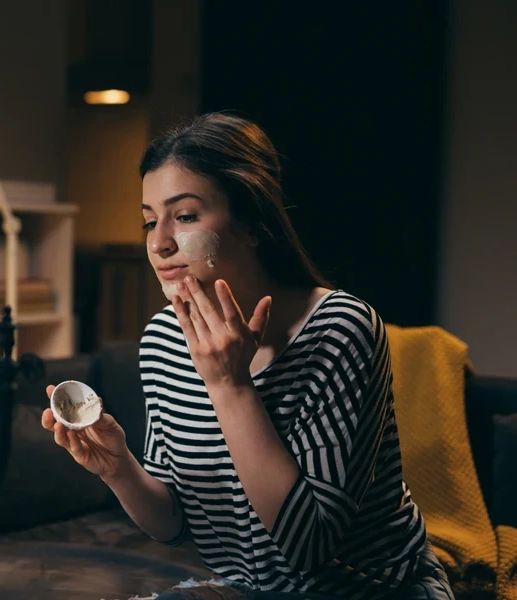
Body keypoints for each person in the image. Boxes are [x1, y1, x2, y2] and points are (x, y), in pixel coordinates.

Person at [40, 113, 454, 600]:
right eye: (150, 220)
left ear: (253, 223)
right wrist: (119, 470)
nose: (159, 242)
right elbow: (173, 524)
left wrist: (229, 385)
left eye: (186, 215)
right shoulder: (163, 341)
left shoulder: (340, 328)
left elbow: (310, 545)